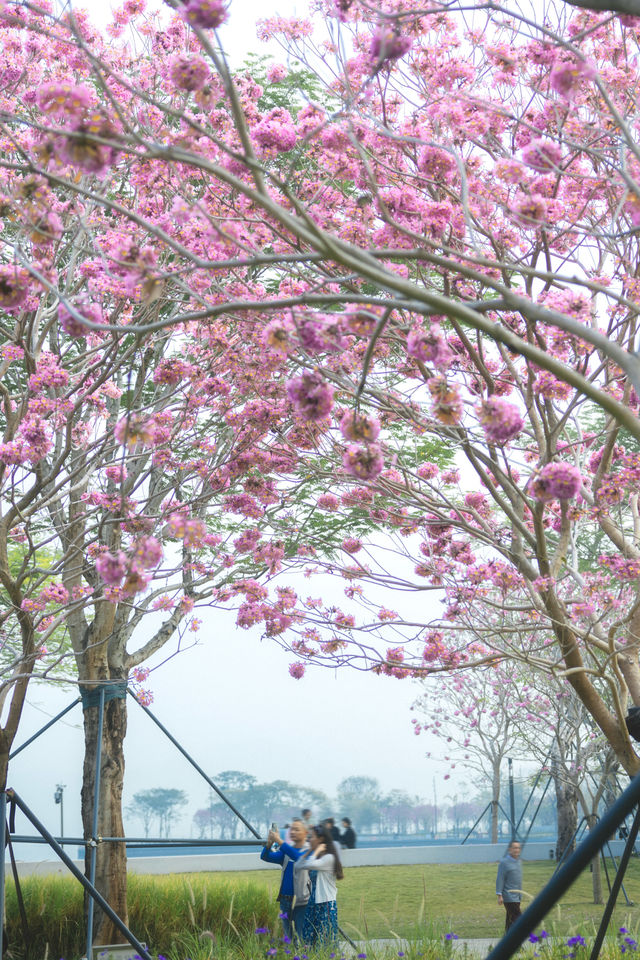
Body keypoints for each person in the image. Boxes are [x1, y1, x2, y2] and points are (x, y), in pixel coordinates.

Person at [294, 823, 344, 946]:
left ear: (321, 839)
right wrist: (311, 850)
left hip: (325, 904)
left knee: (324, 939)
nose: (309, 839)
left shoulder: (329, 858)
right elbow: (298, 865)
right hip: (313, 902)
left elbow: (310, 865)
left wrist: (315, 851)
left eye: (312, 837)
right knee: (309, 937)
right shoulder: (318, 857)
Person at [260, 819, 310, 940]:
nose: (293, 832)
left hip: (301, 901)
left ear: (306, 833)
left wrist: (279, 841)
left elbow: (298, 858)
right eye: (291, 829)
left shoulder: (309, 851)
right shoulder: (286, 851)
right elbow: (265, 857)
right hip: (285, 900)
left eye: (297, 829)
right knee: (287, 935)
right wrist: (269, 844)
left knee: (301, 934)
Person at [496, 840, 523, 931]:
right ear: (510, 849)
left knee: (511, 920)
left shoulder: (518, 861)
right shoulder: (504, 862)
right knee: (519, 919)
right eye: (515, 848)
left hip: (517, 896)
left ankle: (507, 939)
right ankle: (518, 940)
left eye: (518, 848)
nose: (517, 850)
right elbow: (500, 879)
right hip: (508, 896)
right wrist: (499, 895)